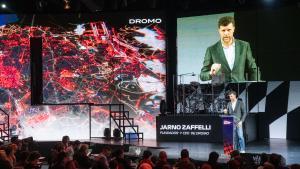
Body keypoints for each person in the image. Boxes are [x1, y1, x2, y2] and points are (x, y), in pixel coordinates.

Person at [200, 16, 261, 83]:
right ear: (219, 31)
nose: (226, 33)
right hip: (220, 91)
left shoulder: (244, 46)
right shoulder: (211, 50)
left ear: (233, 29)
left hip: (240, 89)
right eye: (223, 30)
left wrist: (255, 86)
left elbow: (253, 69)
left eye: (229, 30)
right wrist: (211, 73)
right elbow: (202, 75)